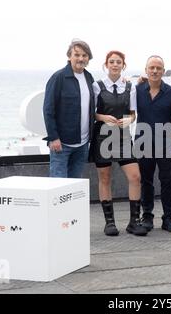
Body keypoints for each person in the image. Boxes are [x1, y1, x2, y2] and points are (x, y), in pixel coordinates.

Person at [91, 50, 147, 237]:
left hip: (123, 137)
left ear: (123, 65)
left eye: (118, 62)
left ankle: (133, 222)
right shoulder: (96, 86)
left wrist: (130, 121)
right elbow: (91, 113)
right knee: (105, 178)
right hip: (103, 136)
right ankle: (110, 223)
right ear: (106, 65)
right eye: (112, 61)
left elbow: (133, 113)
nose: (115, 64)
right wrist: (102, 116)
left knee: (135, 176)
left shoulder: (129, 87)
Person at [136, 56, 171, 233]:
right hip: (143, 142)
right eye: (151, 67)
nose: (155, 71)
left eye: (158, 68)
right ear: (146, 70)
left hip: (165, 144)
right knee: (145, 181)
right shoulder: (137, 90)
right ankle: (147, 216)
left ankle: (168, 218)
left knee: (167, 182)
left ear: (163, 71)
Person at [43, 39, 95, 178]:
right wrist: (53, 138)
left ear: (88, 58)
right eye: (77, 55)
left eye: (84, 55)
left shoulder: (89, 77)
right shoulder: (58, 77)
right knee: (58, 187)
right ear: (69, 56)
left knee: (74, 186)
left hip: (83, 144)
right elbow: (48, 110)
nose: (81, 58)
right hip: (61, 144)